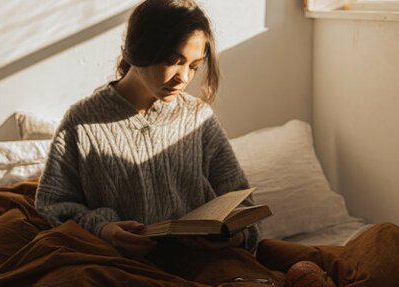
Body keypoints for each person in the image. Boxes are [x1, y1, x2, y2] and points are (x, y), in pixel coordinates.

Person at [34, 0, 328, 285]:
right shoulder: (82, 121)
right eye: (173, 62)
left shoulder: (197, 118)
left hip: (203, 263)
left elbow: (241, 203)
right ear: (139, 50)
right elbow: (53, 202)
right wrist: (103, 228)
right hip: (119, 264)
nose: (183, 77)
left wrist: (231, 236)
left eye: (194, 66)